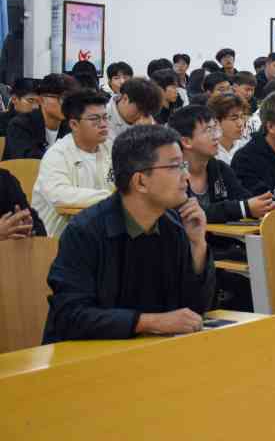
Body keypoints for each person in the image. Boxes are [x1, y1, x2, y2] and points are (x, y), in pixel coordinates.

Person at [43, 125, 216, 343]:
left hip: (150, 350)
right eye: (175, 166)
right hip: (88, 355)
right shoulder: (85, 231)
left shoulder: (174, 226)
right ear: (140, 181)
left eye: (183, 165)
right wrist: (148, 322)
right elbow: (70, 316)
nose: (186, 176)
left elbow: (195, 310)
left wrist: (197, 245)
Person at [169, 106, 275, 224]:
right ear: (186, 142)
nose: (216, 136)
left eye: (215, 129)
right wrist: (242, 208)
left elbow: (243, 198)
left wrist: (263, 204)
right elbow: (188, 213)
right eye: (208, 130)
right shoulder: (172, 174)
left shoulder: (220, 168)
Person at [32, 90, 116, 239]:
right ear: (74, 124)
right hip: (58, 237)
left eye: (105, 117)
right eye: (95, 119)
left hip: (99, 231)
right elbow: (59, 195)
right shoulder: (57, 154)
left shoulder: (110, 147)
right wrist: (111, 197)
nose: (103, 125)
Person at [3, 74, 77, 160]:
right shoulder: (19, 125)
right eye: (62, 99)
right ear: (41, 100)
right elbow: (29, 161)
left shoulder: (71, 126)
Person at [207, 93, 249, 164]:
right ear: (216, 121)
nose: (240, 123)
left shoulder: (245, 146)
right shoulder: (207, 153)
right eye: (234, 118)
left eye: (242, 117)